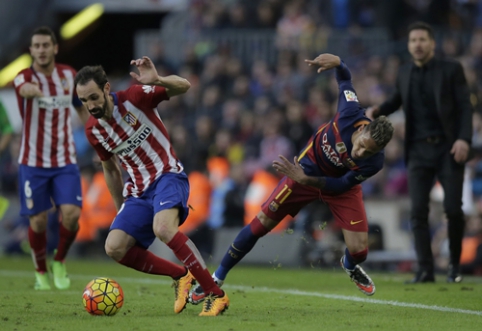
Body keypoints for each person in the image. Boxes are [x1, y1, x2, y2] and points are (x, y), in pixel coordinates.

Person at [188, 53, 394, 304]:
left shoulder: (375, 162)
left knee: (360, 251)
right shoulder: (350, 112)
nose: (361, 153)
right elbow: (345, 81)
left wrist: (307, 180)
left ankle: (350, 265)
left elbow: (341, 185)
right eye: (363, 146)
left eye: (369, 151)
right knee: (260, 224)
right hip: (304, 170)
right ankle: (214, 279)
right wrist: (339, 63)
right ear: (362, 129)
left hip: (334, 187)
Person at [74, 56, 229, 316]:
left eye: (93, 97)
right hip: (138, 191)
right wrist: (120, 210)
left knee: (163, 228)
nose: (90, 105)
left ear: (106, 89)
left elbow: (185, 86)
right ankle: (181, 276)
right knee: (114, 247)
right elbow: (110, 168)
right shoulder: (94, 130)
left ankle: (216, 294)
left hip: (168, 176)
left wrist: (157, 80)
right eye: (84, 101)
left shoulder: (135, 97)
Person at [367, 21, 473, 284]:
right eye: (413, 40)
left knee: (453, 210)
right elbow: (396, 100)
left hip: (448, 148)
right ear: (409, 45)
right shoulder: (404, 72)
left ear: (432, 43)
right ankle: (425, 270)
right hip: (417, 150)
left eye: (422, 39)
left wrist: (463, 139)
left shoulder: (451, 69)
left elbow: (464, 107)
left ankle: (454, 267)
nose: (418, 44)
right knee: (417, 212)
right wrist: (378, 110)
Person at [13, 26, 89, 290]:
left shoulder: (69, 75)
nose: (42, 50)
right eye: (37, 46)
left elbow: (81, 108)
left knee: (71, 214)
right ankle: (40, 272)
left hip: (65, 160)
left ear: (55, 48)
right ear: (31, 50)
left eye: (46, 45)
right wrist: (36, 92)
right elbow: (24, 91)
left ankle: (60, 261)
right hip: (33, 163)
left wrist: (94, 135)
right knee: (38, 220)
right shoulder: (23, 77)